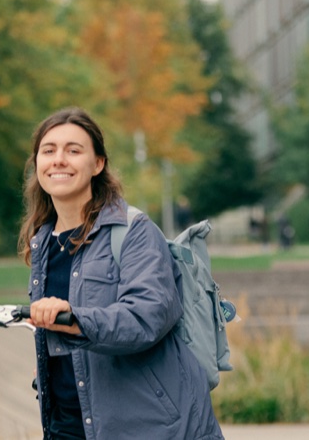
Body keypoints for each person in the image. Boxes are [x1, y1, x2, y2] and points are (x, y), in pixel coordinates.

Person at [19, 108, 223, 439]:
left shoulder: (133, 231)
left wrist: (74, 319)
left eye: (73, 150)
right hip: (68, 426)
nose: (59, 159)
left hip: (147, 427)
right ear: (37, 164)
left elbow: (147, 316)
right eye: (48, 150)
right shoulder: (43, 241)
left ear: (98, 164)